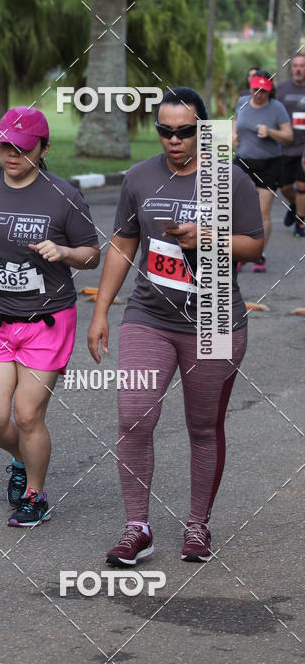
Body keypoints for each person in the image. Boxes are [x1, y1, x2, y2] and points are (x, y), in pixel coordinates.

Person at [88, 88, 264, 564]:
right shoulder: (140, 177)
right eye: (164, 131)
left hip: (214, 317)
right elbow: (123, 243)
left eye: (185, 131)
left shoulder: (230, 179)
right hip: (150, 316)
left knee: (203, 425)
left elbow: (254, 246)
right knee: (133, 416)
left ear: (202, 131)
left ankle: (198, 524)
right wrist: (101, 311)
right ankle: (137, 527)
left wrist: (206, 236)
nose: (174, 140)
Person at [0, 107, 100, 527]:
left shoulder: (64, 196)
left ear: (43, 149)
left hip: (47, 321)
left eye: (22, 148)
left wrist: (65, 252)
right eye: (5, 146)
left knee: (27, 414)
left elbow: (92, 254)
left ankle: (35, 495)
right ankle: (23, 458)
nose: (11, 155)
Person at [232, 70, 292, 272]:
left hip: (269, 164)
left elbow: (288, 135)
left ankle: (258, 254)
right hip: (243, 162)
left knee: (262, 212)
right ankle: (240, 251)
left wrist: (271, 132)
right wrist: (233, 134)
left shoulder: (277, 108)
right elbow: (235, 121)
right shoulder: (242, 102)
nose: (258, 94)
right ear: (250, 87)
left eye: (263, 91)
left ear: (269, 90)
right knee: (238, 208)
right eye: (255, 89)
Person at [276, 52, 305, 236]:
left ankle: (300, 223)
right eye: (295, 66)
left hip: (303, 149)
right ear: (291, 68)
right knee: (285, 187)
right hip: (285, 148)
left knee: (302, 186)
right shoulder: (282, 90)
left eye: (302, 66)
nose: (298, 69)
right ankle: (295, 205)